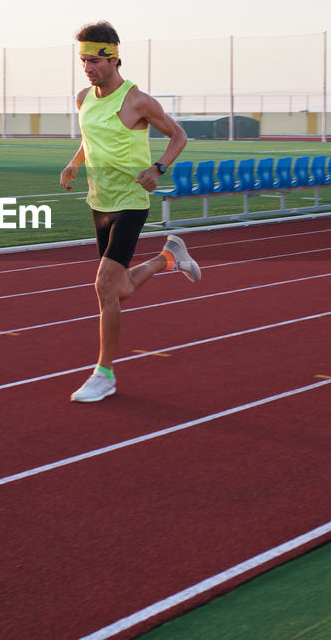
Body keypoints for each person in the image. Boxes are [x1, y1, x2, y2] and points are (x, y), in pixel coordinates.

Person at [59, 21, 201, 403]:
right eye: (83, 60)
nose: (88, 68)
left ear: (113, 57)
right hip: (98, 203)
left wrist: (158, 168)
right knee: (119, 290)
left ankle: (104, 373)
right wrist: (74, 163)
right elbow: (92, 140)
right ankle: (170, 257)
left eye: (94, 60)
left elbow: (179, 135)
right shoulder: (83, 98)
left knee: (103, 286)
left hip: (131, 203)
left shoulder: (136, 101)